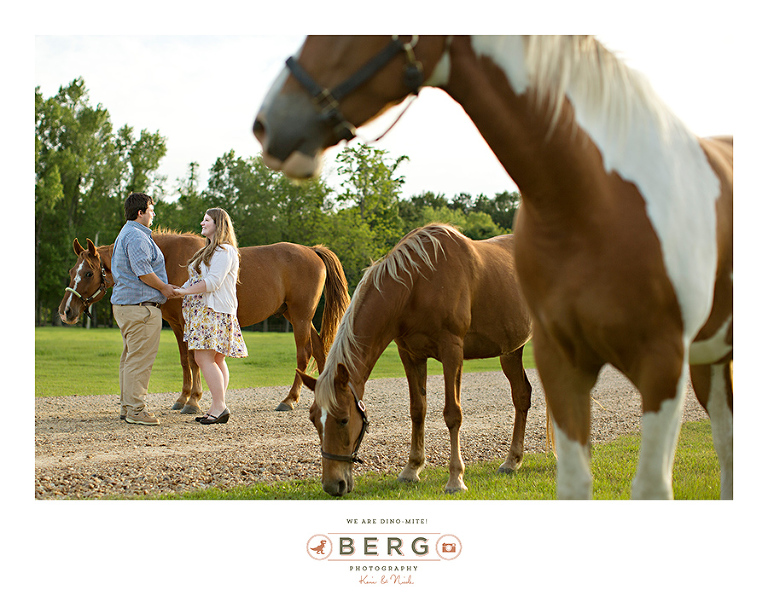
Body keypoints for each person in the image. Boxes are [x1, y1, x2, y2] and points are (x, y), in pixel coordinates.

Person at [174, 208, 248, 424]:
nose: (202, 223)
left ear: (218, 224)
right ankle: (218, 405)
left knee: (203, 358)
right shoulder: (210, 250)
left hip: (213, 311)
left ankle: (220, 406)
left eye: (206, 220)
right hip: (207, 310)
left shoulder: (225, 251)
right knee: (216, 359)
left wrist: (185, 292)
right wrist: (179, 289)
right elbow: (199, 278)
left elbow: (214, 282)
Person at [111, 192, 177, 425]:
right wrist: (165, 288)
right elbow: (143, 271)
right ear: (140, 213)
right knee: (140, 360)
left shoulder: (125, 233)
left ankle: (127, 406)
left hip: (126, 306)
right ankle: (136, 410)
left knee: (130, 358)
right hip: (140, 309)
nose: (154, 214)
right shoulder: (137, 237)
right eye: (151, 210)